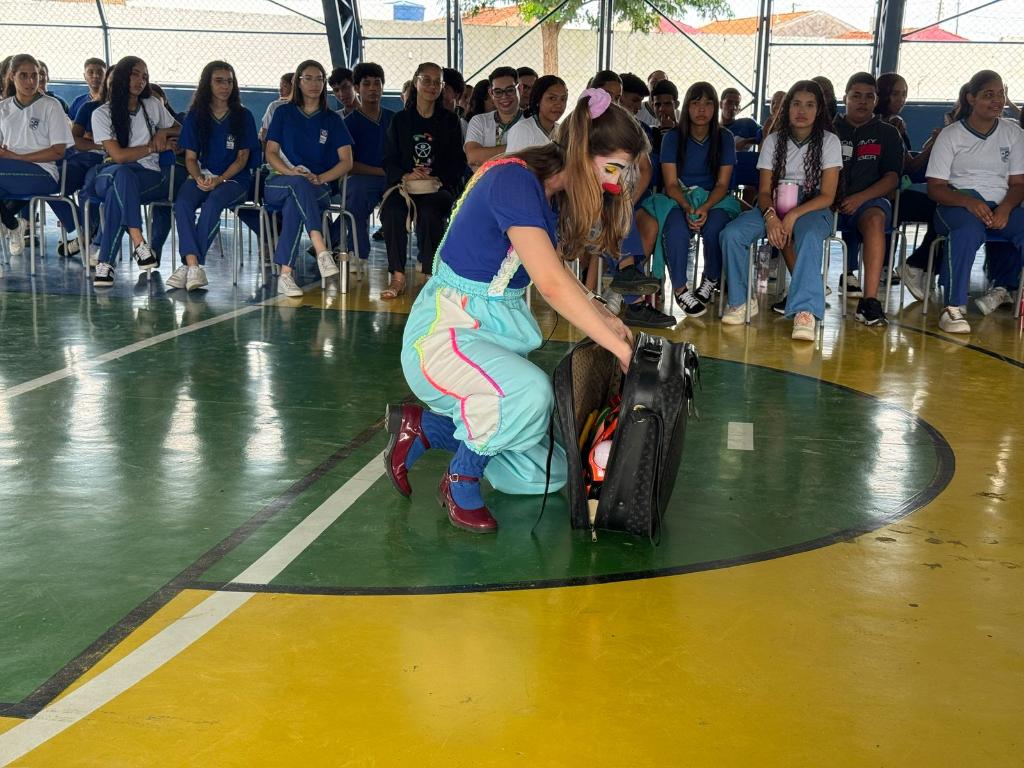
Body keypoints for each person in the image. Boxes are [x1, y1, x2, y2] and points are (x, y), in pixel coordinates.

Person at [384, 89, 645, 533]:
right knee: (529, 393)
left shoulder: (550, 190)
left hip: (487, 331)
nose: (617, 182)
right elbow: (549, 283)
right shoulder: (516, 180)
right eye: (614, 167)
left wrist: (603, 313)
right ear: (585, 153)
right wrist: (620, 351)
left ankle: (424, 429)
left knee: (544, 476)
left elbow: (555, 269)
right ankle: (461, 479)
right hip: (446, 334)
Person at [720, 80, 842, 340]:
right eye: (796, 104)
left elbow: (828, 195)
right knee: (732, 233)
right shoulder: (774, 140)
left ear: (819, 110)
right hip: (773, 206)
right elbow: (764, 192)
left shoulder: (830, 142)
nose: (802, 110)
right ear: (786, 108)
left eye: (810, 105)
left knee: (808, 237)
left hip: (812, 207)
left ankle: (805, 312)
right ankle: (741, 301)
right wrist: (771, 217)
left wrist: (795, 215)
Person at [926, 70, 1024, 334]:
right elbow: (936, 188)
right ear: (971, 98)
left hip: (1001, 205)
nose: (997, 101)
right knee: (968, 231)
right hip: (957, 204)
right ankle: (953, 308)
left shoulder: (1013, 133)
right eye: (988, 95)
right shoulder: (951, 135)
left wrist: (1005, 207)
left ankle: (1013, 293)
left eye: (1001, 94)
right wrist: (968, 203)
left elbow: (1018, 184)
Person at [643, 81, 738, 317]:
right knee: (675, 228)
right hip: (678, 198)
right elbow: (671, 183)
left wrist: (705, 206)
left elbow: (722, 184)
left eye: (708, 104)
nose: (702, 109)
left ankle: (710, 278)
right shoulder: (673, 138)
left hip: (713, 199)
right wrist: (686, 206)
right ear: (686, 107)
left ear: (715, 108)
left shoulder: (724, 137)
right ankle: (680, 288)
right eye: (695, 103)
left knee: (716, 226)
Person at [90, 56, 182, 287]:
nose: (140, 80)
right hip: (109, 172)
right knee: (122, 173)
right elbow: (119, 156)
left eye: (144, 76)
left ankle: (105, 264)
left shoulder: (152, 105)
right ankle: (138, 239)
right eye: (134, 74)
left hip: (147, 175)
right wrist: (151, 146)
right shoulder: (101, 114)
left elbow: (181, 129)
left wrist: (163, 133)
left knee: (118, 194)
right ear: (121, 76)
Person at [263, 59, 353, 297]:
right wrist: (290, 171)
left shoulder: (332, 119)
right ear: (298, 82)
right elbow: (270, 152)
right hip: (280, 181)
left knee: (297, 201)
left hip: (317, 186)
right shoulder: (283, 112)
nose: (315, 84)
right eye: (308, 78)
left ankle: (285, 273)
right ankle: (321, 246)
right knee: (297, 186)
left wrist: (322, 177)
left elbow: (347, 161)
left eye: (320, 79)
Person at [171, 61, 259, 291]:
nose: (225, 86)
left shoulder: (243, 115)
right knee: (182, 203)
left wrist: (219, 180)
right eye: (219, 81)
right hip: (204, 176)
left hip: (234, 180)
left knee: (213, 203)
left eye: (229, 81)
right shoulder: (195, 116)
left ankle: (190, 265)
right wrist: (199, 177)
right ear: (207, 84)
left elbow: (242, 158)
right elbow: (190, 158)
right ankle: (193, 266)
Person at [380, 62, 464, 297]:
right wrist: (405, 174)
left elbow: (457, 162)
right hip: (404, 186)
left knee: (430, 212)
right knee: (393, 211)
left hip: (436, 187)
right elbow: (388, 159)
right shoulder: (400, 121)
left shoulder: (449, 121)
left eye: (437, 81)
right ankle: (397, 276)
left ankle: (429, 273)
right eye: (426, 80)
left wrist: (437, 177)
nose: (431, 86)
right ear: (416, 82)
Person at [833, 72, 904, 325]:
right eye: (856, 96)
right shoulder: (828, 129)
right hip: (827, 203)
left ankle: (870, 302)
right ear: (845, 98)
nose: (862, 102)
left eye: (869, 97)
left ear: (876, 101)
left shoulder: (888, 133)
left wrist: (860, 198)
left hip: (869, 202)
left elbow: (892, 177)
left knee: (876, 220)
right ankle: (802, 294)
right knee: (802, 220)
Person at [0, 54, 73, 258]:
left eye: (35, 76)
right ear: (12, 76)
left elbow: (59, 151)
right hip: (9, 173)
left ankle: (12, 225)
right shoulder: (3, 108)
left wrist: (17, 158)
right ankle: (13, 224)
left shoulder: (51, 105)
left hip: (43, 174)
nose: (31, 81)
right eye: (23, 76)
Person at [343, 62, 393, 265]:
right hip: (363, 178)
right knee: (355, 194)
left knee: (399, 205)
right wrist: (380, 171)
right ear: (357, 88)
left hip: (393, 178)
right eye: (366, 84)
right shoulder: (349, 122)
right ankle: (357, 251)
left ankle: (399, 260)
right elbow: (349, 164)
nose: (373, 88)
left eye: (377, 83)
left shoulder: (394, 119)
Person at [464, 67, 522, 170]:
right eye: (498, 92)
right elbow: (473, 157)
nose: (504, 96)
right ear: (491, 93)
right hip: (486, 184)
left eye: (510, 90)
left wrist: (487, 155)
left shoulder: (532, 121)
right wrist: (521, 148)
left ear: (520, 89)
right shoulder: (479, 121)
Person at [505, 75, 567, 153]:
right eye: (552, 98)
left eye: (563, 99)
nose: (559, 104)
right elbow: (513, 164)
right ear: (538, 100)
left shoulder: (562, 132)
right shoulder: (522, 130)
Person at [259, 73, 293, 143]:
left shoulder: (275, 106)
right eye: (280, 86)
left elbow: (264, 133)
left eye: (285, 86)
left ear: (294, 88)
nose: (280, 90)